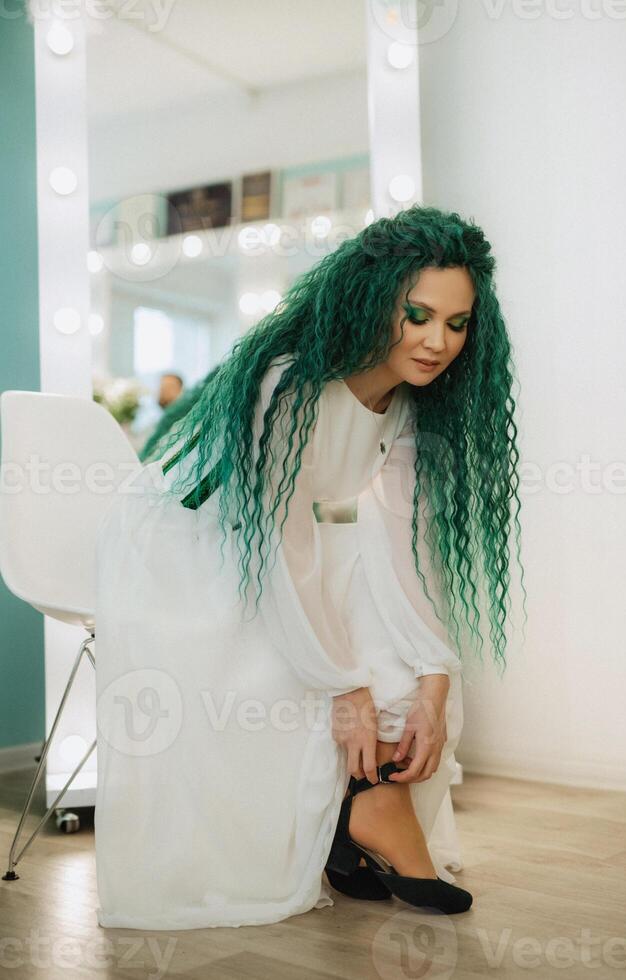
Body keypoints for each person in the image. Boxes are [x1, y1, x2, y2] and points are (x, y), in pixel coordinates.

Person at [93, 204, 525, 930]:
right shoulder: (290, 386)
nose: (436, 342)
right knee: (337, 622)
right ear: (370, 299)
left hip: (278, 545)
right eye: (417, 314)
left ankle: (368, 812)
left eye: (457, 324)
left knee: (382, 611)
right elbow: (280, 549)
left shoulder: (414, 407)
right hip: (184, 548)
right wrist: (343, 686)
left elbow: (407, 551)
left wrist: (435, 680)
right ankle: (369, 811)